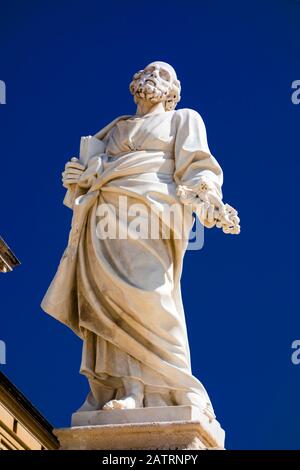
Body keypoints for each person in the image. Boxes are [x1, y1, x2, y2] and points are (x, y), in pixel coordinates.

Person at [41, 61, 240, 420]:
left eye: (163, 74)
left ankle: (177, 388)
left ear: (173, 91)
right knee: (111, 301)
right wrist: (78, 177)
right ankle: (130, 388)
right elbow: (89, 174)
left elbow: (198, 165)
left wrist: (207, 197)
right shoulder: (115, 128)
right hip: (104, 216)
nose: (152, 76)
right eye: (148, 71)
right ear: (135, 83)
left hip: (154, 212)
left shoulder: (183, 119)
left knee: (153, 296)